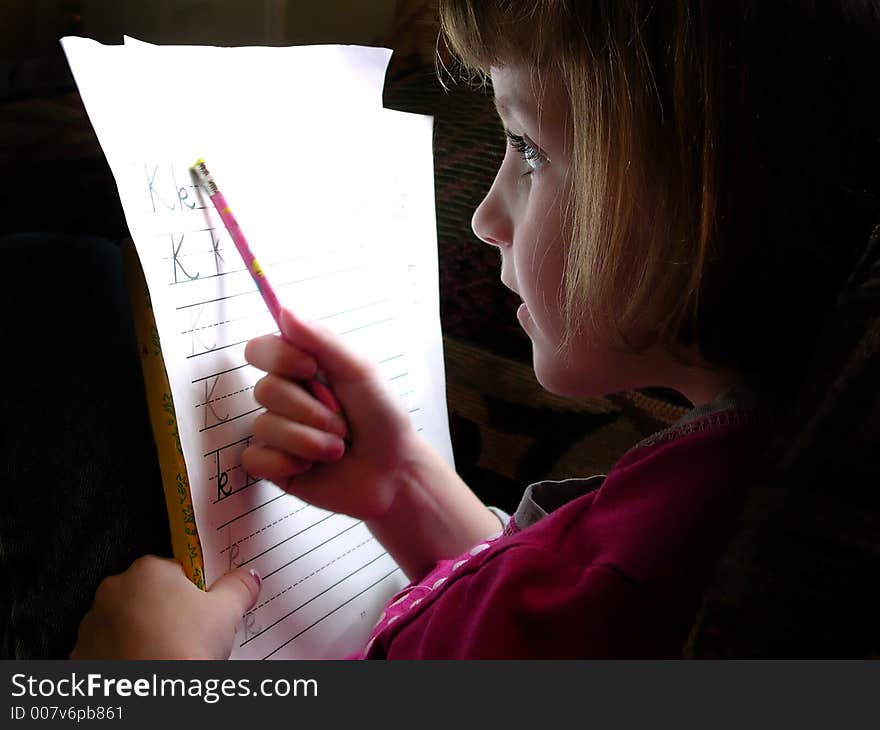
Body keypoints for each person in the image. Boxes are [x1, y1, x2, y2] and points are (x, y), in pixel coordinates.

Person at [70, 0, 880, 659]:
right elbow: (529, 609)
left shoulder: (666, 578)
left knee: (56, 283)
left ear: (714, 199)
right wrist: (408, 493)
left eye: (529, 149)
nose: (487, 217)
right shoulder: (748, 465)